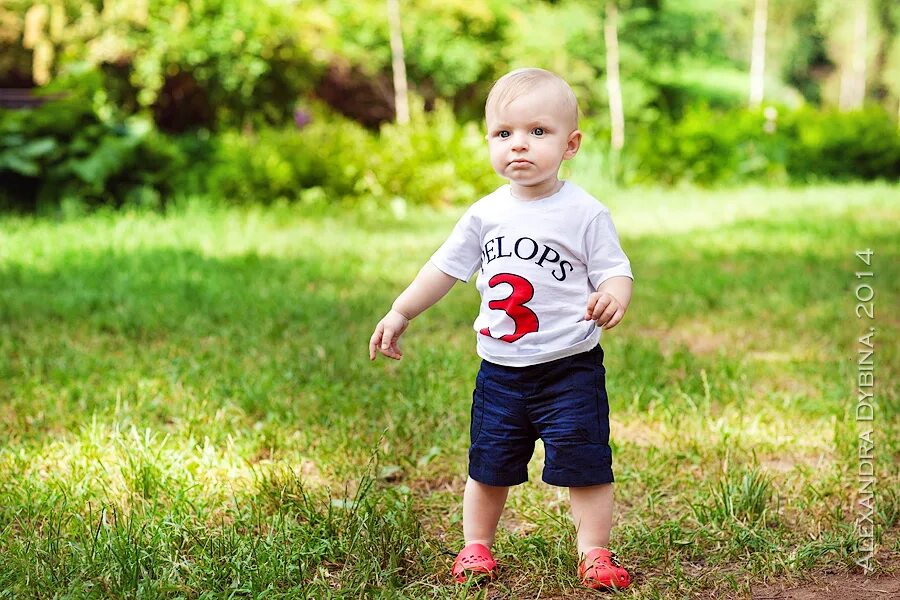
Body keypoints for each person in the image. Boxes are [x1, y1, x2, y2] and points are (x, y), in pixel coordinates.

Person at [368, 67, 633, 590]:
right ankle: (475, 547)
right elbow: (443, 269)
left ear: (570, 144)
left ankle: (595, 552)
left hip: (570, 368)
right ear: (489, 140)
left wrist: (613, 296)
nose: (519, 146)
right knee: (488, 466)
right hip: (500, 371)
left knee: (586, 464)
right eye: (504, 133)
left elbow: (614, 270)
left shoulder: (584, 213)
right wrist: (400, 311)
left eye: (538, 132)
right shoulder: (484, 215)